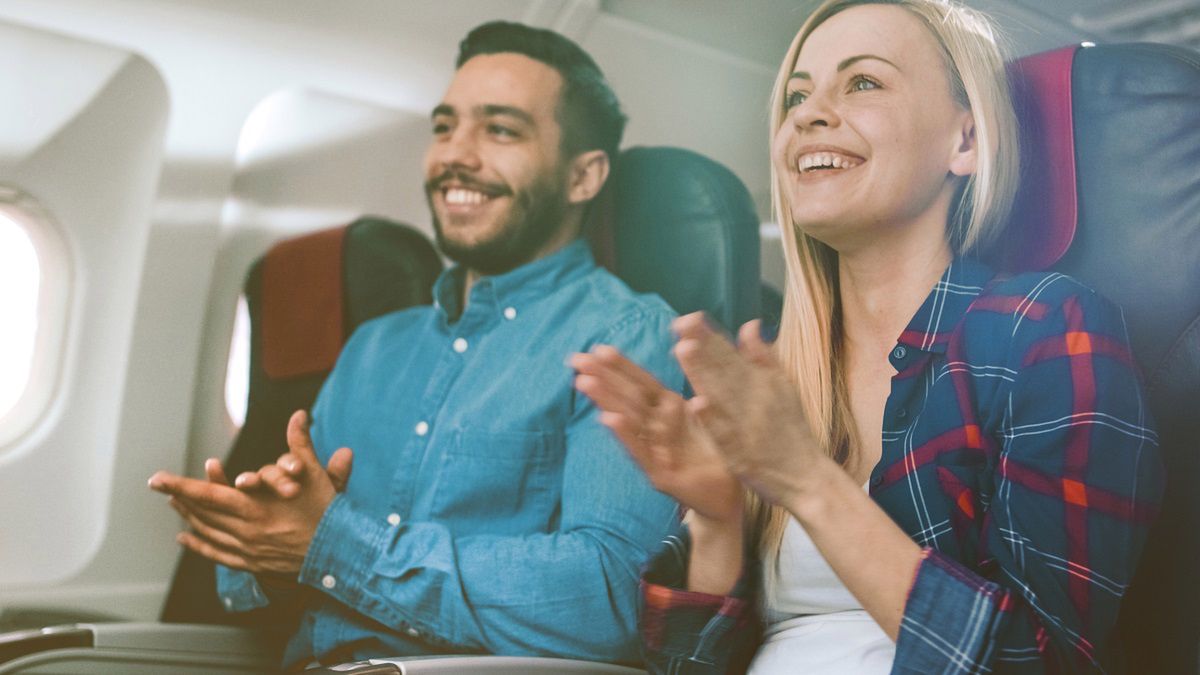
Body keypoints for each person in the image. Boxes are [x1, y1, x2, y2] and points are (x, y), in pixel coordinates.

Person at [571, 1, 1164, 672]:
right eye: (797, 95)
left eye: (862, 83)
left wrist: (807, 481)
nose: (808, 114)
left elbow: (1042, 661)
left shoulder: (1043, 331)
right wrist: (715, 517)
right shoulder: (763, 365)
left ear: (963, 142)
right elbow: (685, 662)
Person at [148, 21, 683, 670]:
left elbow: (606, 598)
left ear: (584, 177)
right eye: (443, 126)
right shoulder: (374, 346)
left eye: (501, 129)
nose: (455, 154)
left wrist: (334, 545)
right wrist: (258, 542)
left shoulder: (625, 336)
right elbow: (296, 565)